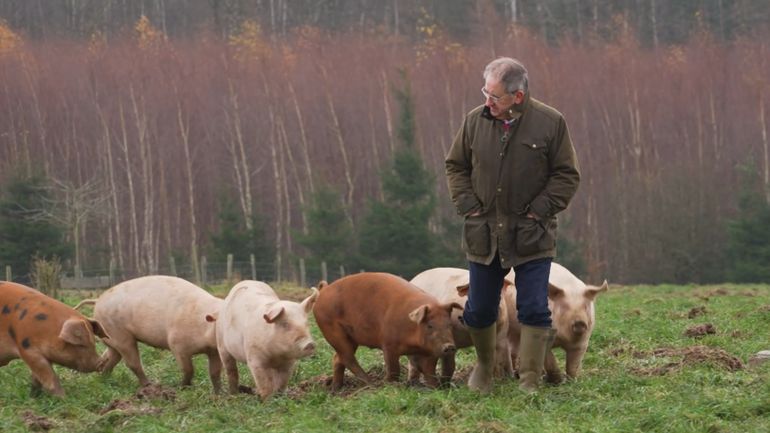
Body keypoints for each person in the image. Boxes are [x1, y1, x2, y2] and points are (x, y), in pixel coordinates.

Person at [445, 57, 580, 393]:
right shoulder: (474, 121)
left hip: (532, 234)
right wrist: (469, 207)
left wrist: (539, 210)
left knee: (534, 306)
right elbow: (455, 166)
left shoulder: (550, 123)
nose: (487, 102)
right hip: (484, 233)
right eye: (485, 93)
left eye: (495, 97)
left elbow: (566, 175)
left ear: (517, 96)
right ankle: (486, 366)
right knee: (478, 309)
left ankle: (530, 378)